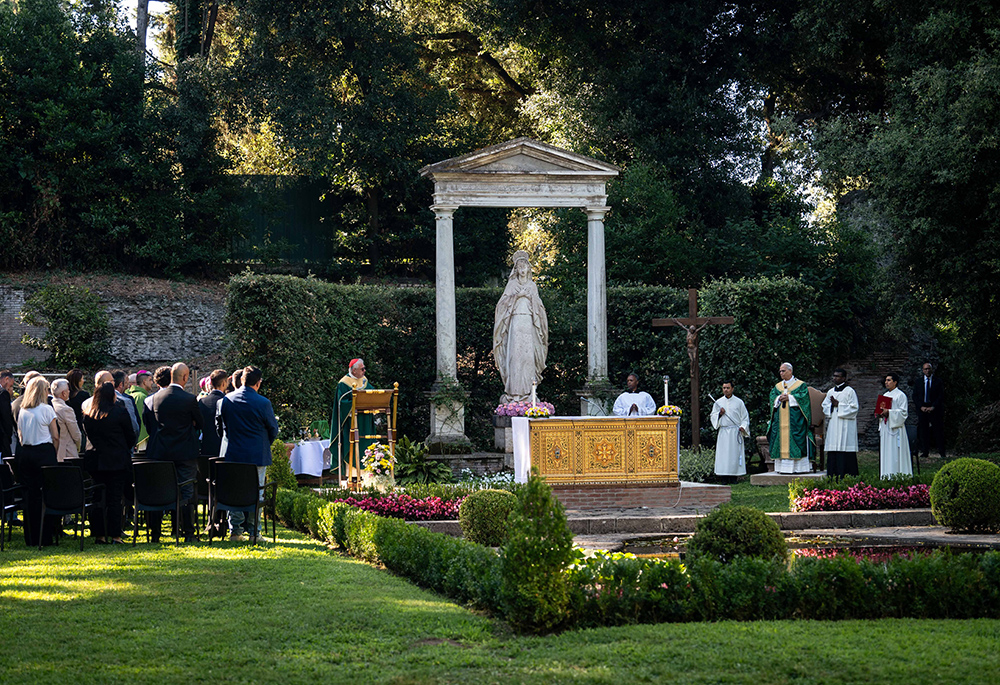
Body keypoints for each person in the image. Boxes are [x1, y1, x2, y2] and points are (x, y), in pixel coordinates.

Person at [217, 366, 279, 541]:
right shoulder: (263, 403)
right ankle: (254, 532)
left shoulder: (226, 400)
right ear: (258, 383)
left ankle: (235, 531)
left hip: (234, 453)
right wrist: (264, 443)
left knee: (234, 491)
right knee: (256, 493)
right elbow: (273, 429)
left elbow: (223, 428)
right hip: (256, 454)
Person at [145, 363, 203, 542]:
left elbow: (149, 425)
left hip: (160, 452)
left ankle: (155, 534)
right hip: (185, 453)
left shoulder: (154, 399)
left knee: (159, 491)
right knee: (186, 492)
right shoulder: (189, 399)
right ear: (185, 378)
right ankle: (188, 533)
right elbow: (200, 424)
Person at [492, 250, 549, 403]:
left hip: (529, 324)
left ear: (528, 268)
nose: (522, 269)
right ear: (516, 269)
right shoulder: (511, 285)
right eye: (519, 266)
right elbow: (501, 306)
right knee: (515, 358)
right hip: (515, 323)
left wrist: (529, 297)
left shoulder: (532, 286)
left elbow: (540, 309)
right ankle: (515, 394)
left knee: (528, 358)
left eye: (525, 266)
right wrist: (517, 296)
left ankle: (529, 393)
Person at [83, 382, 136, 544]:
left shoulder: (89, 415)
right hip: (117, 460)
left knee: (97, 497)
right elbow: (130, 436)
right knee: (115, 498)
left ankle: (99, 534)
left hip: (96, 460)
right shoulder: (120, 413)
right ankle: (115, 535)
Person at [15, 377, 59, 546]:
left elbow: (20, 436)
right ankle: (45, 536)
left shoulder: (23, 410)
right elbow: (55, 435)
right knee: (45, 495)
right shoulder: (47, 409)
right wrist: (53, 452)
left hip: (26, 453)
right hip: (44, 452)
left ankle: (31, 537)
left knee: (30, 497)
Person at [767, 362, 814, 474]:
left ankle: (798, 468)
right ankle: (781, 468)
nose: (781, 373)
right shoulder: (778, 387)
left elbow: (804, 399)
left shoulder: (800, 385)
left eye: (783, 371)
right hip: (780, 421)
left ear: (790, 371)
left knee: (796, 439)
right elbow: (772, 397)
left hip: (795, 421)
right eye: (780, 371)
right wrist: (779, 398)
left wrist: (790, 398)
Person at [333, 359, 374, 481]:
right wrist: (354, 406)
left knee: (366, 445)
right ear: (354, 370)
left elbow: (373, 394)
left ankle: (368, 474)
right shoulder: (344, 383)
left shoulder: (364, 381)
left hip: (365, 420)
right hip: (352, 421)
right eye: (362, 369)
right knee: (353, 446)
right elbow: (342, 403)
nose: (364, 371)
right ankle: (354, 475)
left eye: (364, 368)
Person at [822, 369, 859, 478]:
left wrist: (839, 405)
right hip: (834, 423)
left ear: (844, 378)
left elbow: (854, 409)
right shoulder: (830, 392)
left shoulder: (850, 391)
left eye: (838, 376)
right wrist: (831, 406)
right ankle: (832, 475)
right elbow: (824, 406)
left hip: (846, 425)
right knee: (833, 450)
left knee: (845, 449)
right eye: (834, 376)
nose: (835, 378)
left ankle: (847, 475)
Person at [710, 380, 749, 483]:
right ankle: (724, 478)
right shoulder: (718, 402)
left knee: (734, 455)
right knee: (723, 455)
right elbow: (713, 416)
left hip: (735, 432)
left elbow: (745, 418)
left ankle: (734, 477)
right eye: (724, 388)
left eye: (727, 388)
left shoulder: (739, 402)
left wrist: (742, 427)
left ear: (732, 389)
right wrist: (720, 414)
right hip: (724, 432)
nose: (726, 390)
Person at [878, 372, 912, 477]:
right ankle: (886, 474)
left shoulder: (900, 395)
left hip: (896, 428)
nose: (886, 382)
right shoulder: (885, 395)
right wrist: (880, 414)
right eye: (886, 380)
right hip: (886, 426)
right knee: (886, 453)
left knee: (896, 453)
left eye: (889, 380)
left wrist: (889, 412)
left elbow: (903, 413)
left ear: (895, 382)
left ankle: (898, 474)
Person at [914, 362, 945, 461]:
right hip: (922, 409)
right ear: (923, 370)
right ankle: (925, 451)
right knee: (923, 431)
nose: (927, 371)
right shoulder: (918, 382)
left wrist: (933, 406)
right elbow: (915, 396)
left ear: (931, 370)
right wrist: (921, 407)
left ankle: (941, 451)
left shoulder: (938, 381)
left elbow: (941, 396)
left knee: (938, 430)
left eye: (929, 369)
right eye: (925, 369)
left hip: (934, 409)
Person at [199, 369, 228, 458]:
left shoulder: (202, 401)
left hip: (206, 446)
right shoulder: (227, 401)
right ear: (223, 383)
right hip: (223, 447)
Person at [142, 366, 172, 453]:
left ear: (157, 382)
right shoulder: (183, 399)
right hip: (178, 449)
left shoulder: (148, 401)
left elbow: (147, 425)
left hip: (155, 447)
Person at [51, 379, 82, 463]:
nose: (69, 392)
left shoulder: (49, 406)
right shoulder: (66, 409)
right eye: (68, 390)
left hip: (53, 450)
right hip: (67, 451)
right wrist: (78, 447)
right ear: (63, 393)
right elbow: (76, 434)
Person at [125, 370, 154, 452]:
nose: (152, 383)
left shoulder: (130, 394)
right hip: (141, 441)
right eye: (150, 380)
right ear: (144, 382)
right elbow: (142, 420)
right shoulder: (141, 397)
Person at [112, 369, 140, 445]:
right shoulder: (125, 401)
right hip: (123, 445)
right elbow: (134, 427)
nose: (128, 387)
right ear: (121, 384)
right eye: (127, 383)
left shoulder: (90, 401)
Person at [66, 369, 90, 452]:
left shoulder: (65, 396)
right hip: (80, 427)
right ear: (78, 381)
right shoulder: (84, 395)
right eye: (82, 379)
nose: (83, 381)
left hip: (66, 428)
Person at [0, 369, 15, 459]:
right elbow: (6, 418)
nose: (10, 387)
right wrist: (8, 437)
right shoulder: (3, 393)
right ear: (6, 379)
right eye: (11, 384)